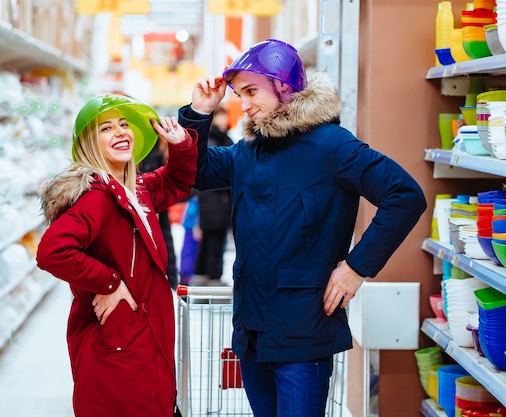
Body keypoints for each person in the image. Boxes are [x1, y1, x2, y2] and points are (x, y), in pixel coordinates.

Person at [177, 39, 427, 417]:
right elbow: (193, 174)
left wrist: (356, 268)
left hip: (303, 333)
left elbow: (405, 195)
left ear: (283, 85)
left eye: (251, 91)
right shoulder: (248, 149)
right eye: (238, 94)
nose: (244, 105)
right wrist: (198, 113)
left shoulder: (331, 146)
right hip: (251, 332)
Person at [36, 94, 197, 417]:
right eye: (106, 128)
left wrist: (180, 145)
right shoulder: (97, 197)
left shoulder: (135, 190)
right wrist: (109, 283)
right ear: (89, 144)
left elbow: (177, 182)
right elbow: (52, 251)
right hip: (117, 343)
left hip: (140, 336)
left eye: (125, 125)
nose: (120, 132)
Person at [190, 105, 234, 286]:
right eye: (221, 117)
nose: (224, 121)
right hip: (216, 203)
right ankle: (213, 278)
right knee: (215, 242)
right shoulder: (218, 140)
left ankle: (203, 277)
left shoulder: (216, 139)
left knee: (209, 243)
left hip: (210, 204)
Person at [140, 136, 180, 290]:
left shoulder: (157, 148)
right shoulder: (159, 148)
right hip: (152, 207)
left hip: (155, 208)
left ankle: (166, 284)